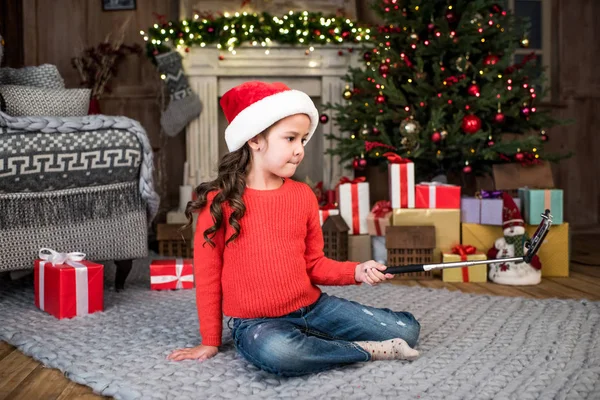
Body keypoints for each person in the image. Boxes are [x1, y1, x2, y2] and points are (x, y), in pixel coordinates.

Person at [167, 81, 421, 377]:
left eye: (303, 140)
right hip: (257, 323)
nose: (299, 150)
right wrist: (210, 341)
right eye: (290, 139)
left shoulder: (302, 196)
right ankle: (364, 351)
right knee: (281, 352)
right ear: (255, 139)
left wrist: (356, 271)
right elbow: (209, 276)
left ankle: (320, 342)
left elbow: (314, 264)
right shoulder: (219, 202)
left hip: (313, 308)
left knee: (407, 329)